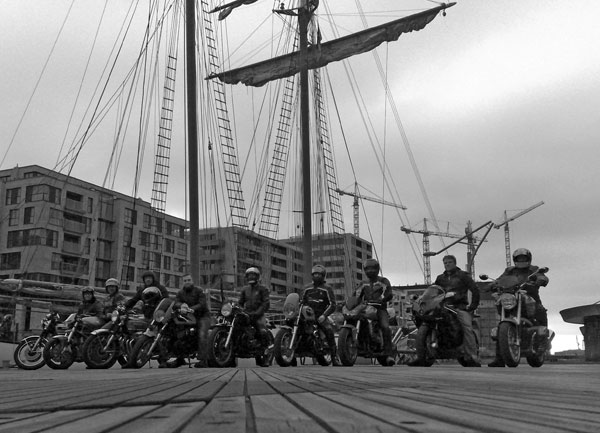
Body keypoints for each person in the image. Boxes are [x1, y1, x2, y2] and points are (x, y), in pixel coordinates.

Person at [414, 254, 481, 367]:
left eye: (449, 262)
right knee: (427, 320)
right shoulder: (440, 278)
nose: (447, 264)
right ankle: (421, 355)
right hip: (442, 306)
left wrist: (472, 306)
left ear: (454, 263)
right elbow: (434, 290)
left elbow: (475, 290)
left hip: (458, 306)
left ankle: (472, 356)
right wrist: (423, 298)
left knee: (467, 327)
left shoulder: (463, 276)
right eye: (445, 263)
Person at [488, 248, 549, 367]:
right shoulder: (509, 270)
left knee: (540, 311)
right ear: (515, 259)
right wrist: (492, 284)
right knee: (502, 324)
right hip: (512, 297)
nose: (521, 261)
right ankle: (500, 359)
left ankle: (543, 341)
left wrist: (540, 280)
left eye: (523, 258)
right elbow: (500, 279)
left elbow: (542, 276)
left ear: (528, 259)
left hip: (530, 297)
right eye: (519, 259)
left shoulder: (533, 269)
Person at [352, 258, 395, 366]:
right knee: (356, 318)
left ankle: (389, 354)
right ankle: (361, 345)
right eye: (367, 269)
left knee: (385, 327)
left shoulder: (383, 281)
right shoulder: (363, 283)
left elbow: (388, 292)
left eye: (372, 268)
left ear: (377, 269)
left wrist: (382, 299)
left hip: (380, 309)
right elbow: (356, 295)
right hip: (366, 308)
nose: (370, 271)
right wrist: (348, 302)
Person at [301, 264, 342, 367]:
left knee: (329, 331)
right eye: (315, 274)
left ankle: (334, 357)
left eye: (319, 274)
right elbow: (301, 301)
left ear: (323, 276)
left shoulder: (327, 288)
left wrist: (324, 315)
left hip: (320, 315)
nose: (317, 276)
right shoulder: (307, 288)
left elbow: (333, 305)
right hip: (307, 314)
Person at [167, 274, 211, 368]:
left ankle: (204, 360)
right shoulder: (180, 293)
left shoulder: (199, 291)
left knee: (202, 334)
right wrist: (181, 305)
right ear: (183, 282)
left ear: (192, 281)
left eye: (188, 280)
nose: (187, 282)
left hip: (202, 316)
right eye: (185, 281)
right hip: (188, 317)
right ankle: (180, 359)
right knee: (178, 333)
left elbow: (202, 304)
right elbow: (176, 302)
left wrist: (191, 309)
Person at [238, 267, 271, 366]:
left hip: (258, 315)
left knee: (262, 331)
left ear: (257, 277)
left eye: (253, 275)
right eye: (249, 275)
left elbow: (266, 303)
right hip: (247, 314)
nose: (251, 277)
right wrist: (240, 310)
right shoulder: (245, 289)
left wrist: (257, 313)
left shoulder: (263, 289)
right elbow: (240, 302)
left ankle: (265, 355)